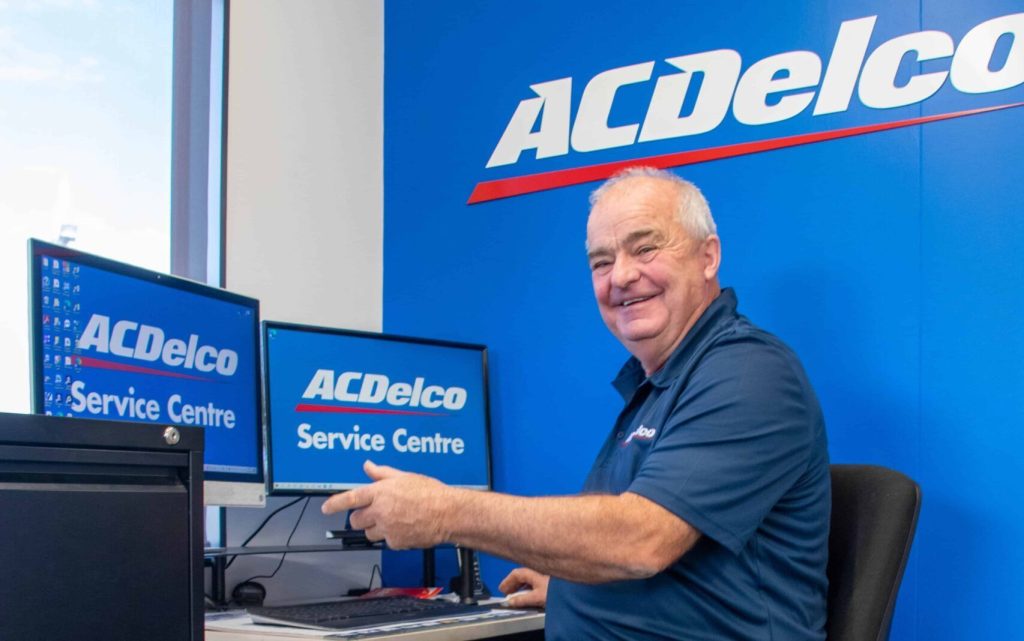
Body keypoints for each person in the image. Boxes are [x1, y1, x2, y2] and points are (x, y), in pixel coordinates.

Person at [322, 167, 830, 641]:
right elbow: (633, 543)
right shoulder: (658, 384)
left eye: (645, 248)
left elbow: (640, 541)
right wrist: (571, 586)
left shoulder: (748, 370)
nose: (621, 276)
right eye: (602, 262)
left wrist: (447, 513)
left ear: (707, 256)